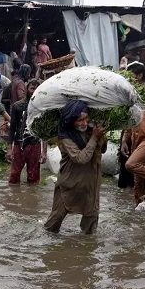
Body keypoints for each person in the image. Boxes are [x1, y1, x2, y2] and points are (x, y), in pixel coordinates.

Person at [44, 100, 107, 234]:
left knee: (90, 225)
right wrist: (95, 138)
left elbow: (103, 150)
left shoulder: (92, 131)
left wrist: (101, 136)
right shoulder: (65, 137)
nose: (84, 123)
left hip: (90, 183)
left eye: (86, 119)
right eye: (79, 120)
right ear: (71, 120)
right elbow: (80, 158)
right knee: (54, 222)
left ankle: (85, 251)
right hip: (69, 183)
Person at [7, 79, 47, 184]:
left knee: (33, 177)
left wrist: (44, 152)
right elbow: (12, 128)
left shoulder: (42, 108)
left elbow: (44, 130)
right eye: (32, 88)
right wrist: (9, 149)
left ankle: (32, 198)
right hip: (19, 143)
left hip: (35, 144)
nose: (34, 91)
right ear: (26, 90)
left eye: (36, 89)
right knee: (14, 176)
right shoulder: (17, 106)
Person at [118, 61, 145, 189]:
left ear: (140, 75)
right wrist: (124, 139)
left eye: (130, 75)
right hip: (128, 132)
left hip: (143, 135)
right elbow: (127, 116)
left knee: (138, 170)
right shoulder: (130, 92)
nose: (128, 78)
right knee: (125, 167)